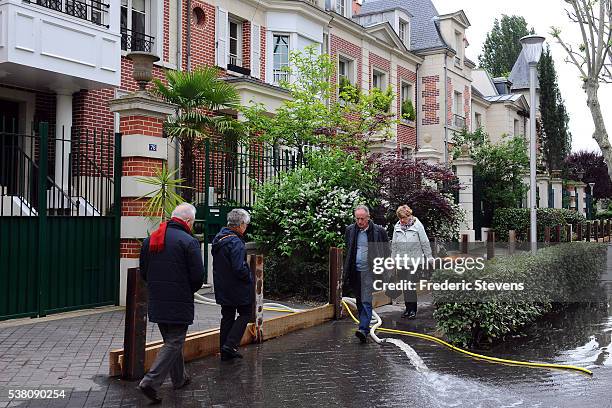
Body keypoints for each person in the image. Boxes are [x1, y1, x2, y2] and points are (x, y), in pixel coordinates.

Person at [138, 203, 205, 404]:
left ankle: (179, 378)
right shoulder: (189, 242)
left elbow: (143, 271)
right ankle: (150, 381)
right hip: (179, 299)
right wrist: (187, 290)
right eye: (192, 222)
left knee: (171, 340)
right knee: (175, 340)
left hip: (157, 298)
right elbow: (198, 276)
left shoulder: (151, 239)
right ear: (187, 221)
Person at [343, 205, 390, 343]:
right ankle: (364, 327)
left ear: (368, 218)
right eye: (357, 219)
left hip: (370, 270)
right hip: (355, 271)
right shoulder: (350, 230)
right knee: (359, 300)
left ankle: (363, 329)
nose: (360, 222)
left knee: (365, 300)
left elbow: (386, 251)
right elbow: (349, 249)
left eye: (362, 219)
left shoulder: (379, 231)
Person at [212, 208, 254, 361]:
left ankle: (225, 351)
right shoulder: (235, 242)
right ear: (240, 224)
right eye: (246, 224)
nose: (246, 227)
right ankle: (230, 345)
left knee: (227, 316)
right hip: (237, 286)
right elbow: (238, 267)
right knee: (245, 313)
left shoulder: (219, 238)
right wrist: (249, 276)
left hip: (222, 285)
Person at [391, 205, 432, 319]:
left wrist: (429, 258)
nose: (402, 220)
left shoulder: (417, 226)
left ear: (409, 216)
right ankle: (407, 308)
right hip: (401, 261)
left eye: (403, 218)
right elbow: (394, 244)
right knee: (405, 285)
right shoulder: (397, 227)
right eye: (400, 218)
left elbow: (425, 242)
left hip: (414, 261)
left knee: (410, 285)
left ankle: (413, 309)